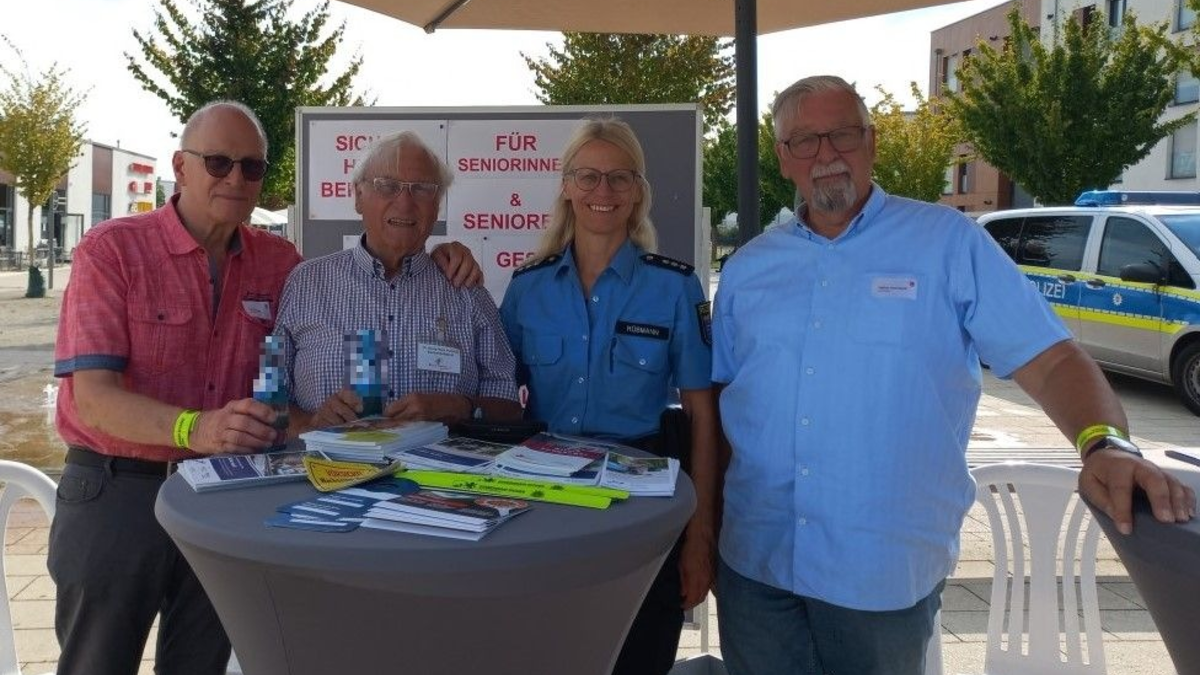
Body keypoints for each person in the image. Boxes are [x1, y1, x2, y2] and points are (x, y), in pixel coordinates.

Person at [710, 75, 1197, 675]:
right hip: (755, 563)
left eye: (843, 133)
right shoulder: (750, 268)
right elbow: (725, 405)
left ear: (873, 141)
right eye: (805, 140)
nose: (827, 154)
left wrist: (1106, 443)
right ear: (783, 157)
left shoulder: (946, 243)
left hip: (881, 572)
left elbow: (1051, 360)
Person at [50, 101, 481, 675]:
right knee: (96, 665)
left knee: (201, 664)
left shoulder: (280, 264)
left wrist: (437, 257)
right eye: (219, 162)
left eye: (251, 167)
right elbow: (93, 398)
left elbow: (284, 379)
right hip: (119, 492)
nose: (235, 178)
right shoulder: (112, 250)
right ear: (180, 166)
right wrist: (194, 427)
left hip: (227, 496)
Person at [499, 118, 717, 675]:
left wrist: (699, 535)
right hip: (544, 501)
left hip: (641, 504)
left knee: (641, 653)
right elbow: (496, 399)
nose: (603, 192)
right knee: (547, 653)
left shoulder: (675, 286)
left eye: (620, 178)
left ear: (638, 191)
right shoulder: (528, 288)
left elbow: (702, 414)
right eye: (589, 176)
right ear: (566, 186)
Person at [277, 131, 521, 430]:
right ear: (358, 196)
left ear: (438, 205)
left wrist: (461, 407)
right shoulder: (304, 283)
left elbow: (512, 408)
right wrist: (311, 423)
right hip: (328, 472)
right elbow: (268, 398)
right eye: (387, 186)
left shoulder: (466, 290)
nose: (405, 202)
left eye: (421, 189)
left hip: (436, 474)